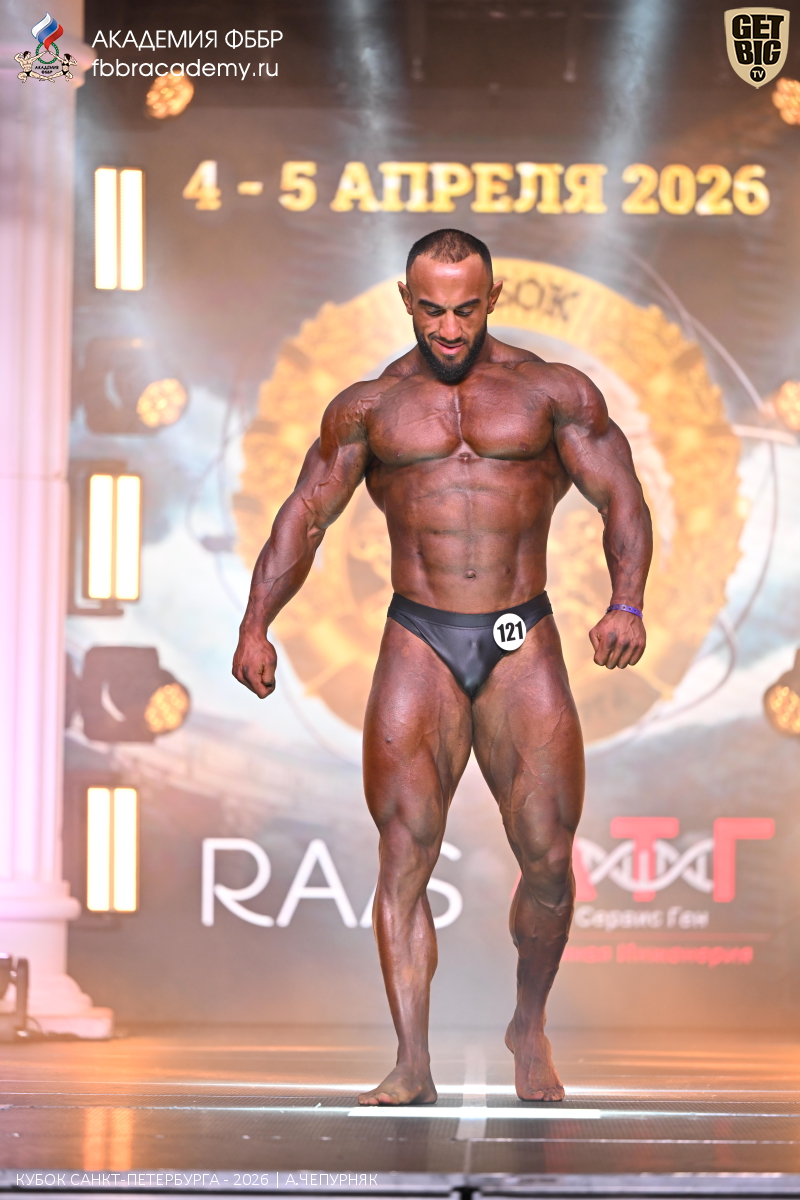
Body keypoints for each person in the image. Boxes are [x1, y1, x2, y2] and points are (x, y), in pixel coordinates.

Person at [233, 229, 652, 1105]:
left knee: (548, 857)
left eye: (465, 309)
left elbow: (621, 493)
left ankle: (528, 1024)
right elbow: (306, 515)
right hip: (419, 634)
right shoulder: (370, 408)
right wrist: (256, 623)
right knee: (403, 853)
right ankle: (411, 1062)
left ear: (493, 297)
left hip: (519, 633)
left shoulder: (552, 392)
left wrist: (627, 602)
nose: (450, 328)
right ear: (406, 299)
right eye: (431, 310)